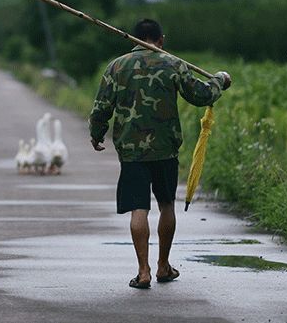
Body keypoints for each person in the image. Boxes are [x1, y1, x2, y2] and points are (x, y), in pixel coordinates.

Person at [89, 18, 231, 289]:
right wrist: (219, 80)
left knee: (138, 208)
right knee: (166, 205)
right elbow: (201, 96)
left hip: (132, 152)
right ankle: (163, 266)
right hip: (165, 150)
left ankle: (143, 271)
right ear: (161, 40)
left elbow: (101, 108)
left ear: (133, 40)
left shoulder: (116, 67)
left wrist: (97, 133)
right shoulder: (173, 64)